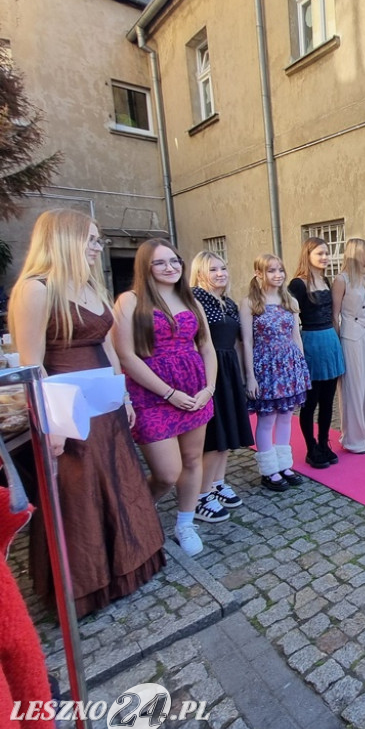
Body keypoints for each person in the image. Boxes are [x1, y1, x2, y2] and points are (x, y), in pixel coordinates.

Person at [10, 210, 165, 614]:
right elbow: (33, 365)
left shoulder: (91, 288)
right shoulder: (36, 289)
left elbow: (111, 349)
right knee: (78, 495)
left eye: (98, 240)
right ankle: (89, 584)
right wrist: (52, 423)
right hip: (66, 406)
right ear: (64, 240)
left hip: (105, 405)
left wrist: (124, 397)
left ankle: (129, 565)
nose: (98, 247)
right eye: (91, 240)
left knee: (117, 481)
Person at [112, 238, 216, 558]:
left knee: (193, 461)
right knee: (167, 473)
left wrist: (208, 388)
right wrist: (169, 394)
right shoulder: (130, 300)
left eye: (174, 260)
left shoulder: (191, 300)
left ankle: (185, 523)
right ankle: (135, 515)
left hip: (195, 392)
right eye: (160, 262)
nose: (170, 267)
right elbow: (126, 356)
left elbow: (207, 348)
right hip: (152, 395)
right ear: (146, 267)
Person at [190, 251, 254, 523]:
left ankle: (217, 482)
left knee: (226, 432)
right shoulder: (195, 298)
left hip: (229, 366)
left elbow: (238, 341)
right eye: (213, 269)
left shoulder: (225, 301)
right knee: (214, 437)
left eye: (223, 268)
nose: (220, 273)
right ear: (201, 273)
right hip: (210, 368)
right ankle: (200, 495)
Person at [241, 254, 311, 489]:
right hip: (266, 367)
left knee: (285, 417)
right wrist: (250, 376)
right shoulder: (250, 303)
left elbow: (296, 337)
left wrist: (301, 367)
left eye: (280, 270)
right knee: (267, 418)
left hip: (289, 365)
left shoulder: (289, 300)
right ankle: (269, 470)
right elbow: (247, 342)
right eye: (271, 270)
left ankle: (284, 465)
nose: (278, 275)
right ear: (259, 273)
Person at [288, 238, 345, 467]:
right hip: (311, 342)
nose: (325, 257)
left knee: (328, 400)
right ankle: (311, 448)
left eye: (326, 253)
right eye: (320, 253)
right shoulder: (298, 284)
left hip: (330, 340)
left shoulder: (326, 279)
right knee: (310, 402)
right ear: (308, 255)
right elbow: (291, 316)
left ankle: (323, 443)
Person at [331, 239, 365, 453]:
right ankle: (355, 438)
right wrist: (337, 344)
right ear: (356, 254)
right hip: (350, 336)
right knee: (354, 387)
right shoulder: (341, 279)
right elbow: (334, 316)